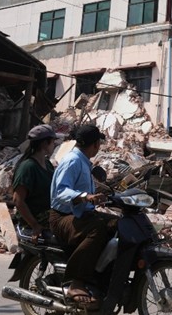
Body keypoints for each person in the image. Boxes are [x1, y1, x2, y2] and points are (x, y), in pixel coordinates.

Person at [49, 124, 115, 309]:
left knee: (117, 224)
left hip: (80, 214)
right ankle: (76, 282)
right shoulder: (73, 161)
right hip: (62, 217)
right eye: (99, 143)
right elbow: (60, 192)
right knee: (97, 229)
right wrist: (85, 196)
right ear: (95, 144)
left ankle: (100, 279)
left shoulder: (84, 161)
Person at [11, 124, 59, 242]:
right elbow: (18, 200)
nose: (55, 145)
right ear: (44, 143)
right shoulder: (28, 167)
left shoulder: (47, 164)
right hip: (38, 217)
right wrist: (34, 225)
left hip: (49, 212)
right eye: (53, 142)